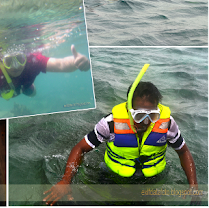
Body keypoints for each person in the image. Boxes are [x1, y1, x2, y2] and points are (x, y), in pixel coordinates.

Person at [43, 69, 198, 206]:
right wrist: (66, 180)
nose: (146, 122)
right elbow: (80, 148)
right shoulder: (110, 124)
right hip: (112, 177)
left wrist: (193, 185)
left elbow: (183, 152)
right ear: (129, 109)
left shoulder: (168, 124)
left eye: (152, 115)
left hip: (150, 181)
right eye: (140, 115)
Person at [0, 45, 90, 113]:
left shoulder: (33, 60)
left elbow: (60, 64)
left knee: (33, 94)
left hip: (23, 87)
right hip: (0, 90)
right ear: (1, 60)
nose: (15, 66)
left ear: (25, 57)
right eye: (9, 61)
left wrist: (76, 62)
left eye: (20, 59)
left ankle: (28, 87)